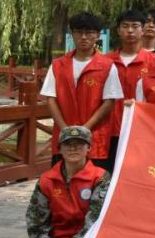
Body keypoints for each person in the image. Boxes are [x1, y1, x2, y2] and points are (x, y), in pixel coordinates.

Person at [25, 126, 109, 238]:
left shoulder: (100, 177)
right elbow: (35, 218)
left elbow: (97, 217)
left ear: (89, 148)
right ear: (60, 149)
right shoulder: (47, 180)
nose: (73, 149)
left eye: (79, 144)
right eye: (68, 144)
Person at [42, 12, 124, 170]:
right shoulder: (58, 65)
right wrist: (65, 129)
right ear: (72, 34)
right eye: (79, 32)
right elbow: (50, 99)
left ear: (98, 35)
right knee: (61, 178)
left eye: (89, 32)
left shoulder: (107, 66)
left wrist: (85, 129)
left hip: (94, 136)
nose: (84, 37)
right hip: (64, 135)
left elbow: (109, 102)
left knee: (95, 180)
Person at [107, 10, 155, 168]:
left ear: (143, 30)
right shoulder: (105, 61)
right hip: (110, 130)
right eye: (125, 26)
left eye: (135, 26)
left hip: (142, 131)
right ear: (118, 30)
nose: (130, 31)